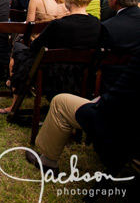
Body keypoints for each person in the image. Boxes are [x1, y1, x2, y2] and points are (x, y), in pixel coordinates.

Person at [25, 51, 140, 182]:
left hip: (122, 129)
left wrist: (98, 102)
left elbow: (115, 101)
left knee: (60, 102)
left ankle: (48, 162)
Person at [0, 0, 101, 114]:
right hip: (82, 76)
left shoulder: (59, 25)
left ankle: (14, 103)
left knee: (18, 49)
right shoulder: (97, 25)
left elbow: (35, 48)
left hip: (52, 75)